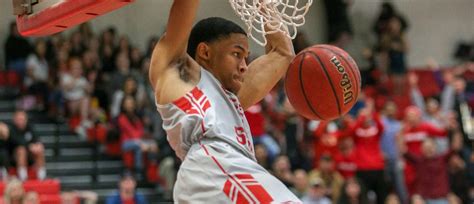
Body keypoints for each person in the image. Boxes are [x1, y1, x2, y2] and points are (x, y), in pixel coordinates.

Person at [149, 0, 298, 202]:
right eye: (236, 54)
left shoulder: (232, 99)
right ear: (205, 52)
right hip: (214, 168)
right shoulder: (179, 75)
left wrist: (263, 4)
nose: (244, 66)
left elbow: (283, 53)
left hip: (225, 173)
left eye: (246, 57)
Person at [7, 110, 46, 181]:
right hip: (14, 158)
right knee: (21, 150)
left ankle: (42, 176)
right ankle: (23, 177)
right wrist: (30, 146)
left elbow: (36, 139)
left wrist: (38, 145)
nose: (21, 121)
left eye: (22, 119)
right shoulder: (11, 129)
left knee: (39, 150)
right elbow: (17, 141)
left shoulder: (30, 128)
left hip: (30, 157)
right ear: (14, 120)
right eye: (19, 119)